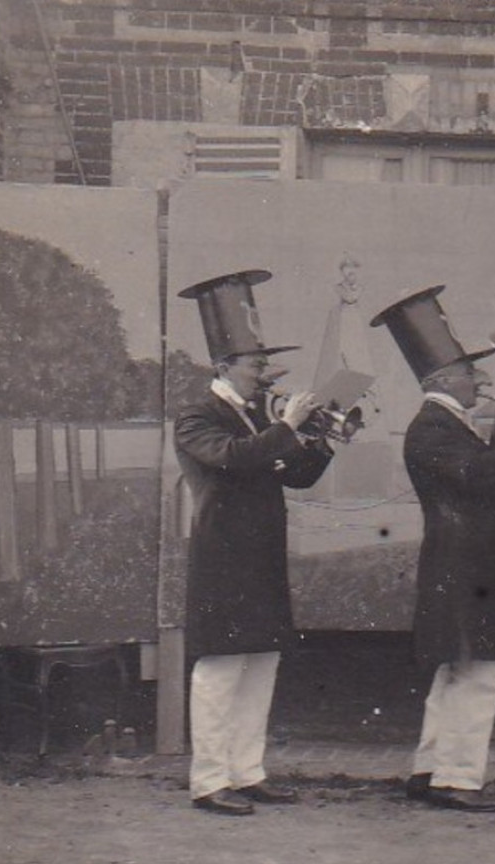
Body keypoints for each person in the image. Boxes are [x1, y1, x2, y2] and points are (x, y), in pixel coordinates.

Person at [371, 287, 495, 812]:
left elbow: (482, 494)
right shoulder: (432, 429)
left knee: (455, 675)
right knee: (478, 677)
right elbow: (474, 478)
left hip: (466, 568)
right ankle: (458, 779)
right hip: (468, 571)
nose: (481, 381)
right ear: (443, 379)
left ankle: (430, 771)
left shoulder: (446, 427)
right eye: (471, 373)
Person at [174, 269, 333, 816]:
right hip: (222, 560)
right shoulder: (197, 417)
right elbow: (237, 460)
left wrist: (324, 439)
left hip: (259, 558)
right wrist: (287, 425)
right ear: (225, 366)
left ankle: (247, 772)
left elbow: (296, 475)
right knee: (219, 670)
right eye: (257, 363)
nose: (266, 372)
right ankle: (209, 780)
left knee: (260, 665)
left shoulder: (256, 416)